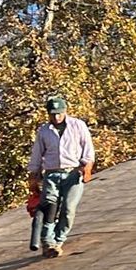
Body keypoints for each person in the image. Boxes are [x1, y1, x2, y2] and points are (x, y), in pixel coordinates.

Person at [28, 95, 95, 257]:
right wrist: (33, 175)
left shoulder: (78, 125)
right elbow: (37, 153)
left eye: (59, 113)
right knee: (49, 205)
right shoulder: (44, 130)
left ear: (65, 111)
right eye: (52, 114)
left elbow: (88, 148)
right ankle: (48, 240)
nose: (56, 117)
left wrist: (86, 167)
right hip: (52, 173)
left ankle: (59, 240)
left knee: (68, 209)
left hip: (73, 172)